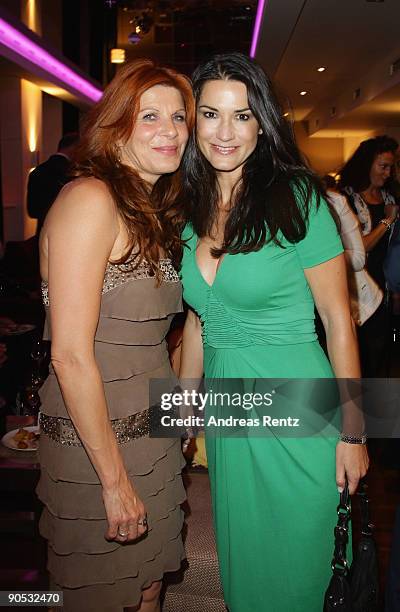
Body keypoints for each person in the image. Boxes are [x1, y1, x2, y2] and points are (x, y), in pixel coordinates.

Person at [178, 52, 368, 612]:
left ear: (262, 123)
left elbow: (338, 320)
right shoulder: (187, 206)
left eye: (241, 116)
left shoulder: (298, 198)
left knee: (305, 567)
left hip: (300, 409)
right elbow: (197, 319)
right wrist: (181, 419)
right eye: (210, 114)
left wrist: (355, 434)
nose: (225, 132)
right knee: (250, 570)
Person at [36, 59, 194, 611]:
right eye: (150, 116)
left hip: (150, 432)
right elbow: (71, 357)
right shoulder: (90, 200)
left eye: (179, 117)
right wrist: (113, 481)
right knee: (99, 595)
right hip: (98, 444)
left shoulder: (150, 209)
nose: (170, 130)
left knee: (148, 586)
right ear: (116, 125)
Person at [339, 135, 399, 376]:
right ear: (367, 164)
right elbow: (358, 248)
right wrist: (387, 220)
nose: (387, 173)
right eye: (383, 166)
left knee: (382, 353)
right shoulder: (346, 199)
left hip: (385, 285)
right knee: (359, 353)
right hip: (357, 287)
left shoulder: (390, 197)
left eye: (391, 167)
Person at [27, 132, 79, 235]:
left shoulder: (37, 171)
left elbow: (32, 211)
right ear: (74, 148)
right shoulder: (73, 173)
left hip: (42, 233)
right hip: (66, 232)